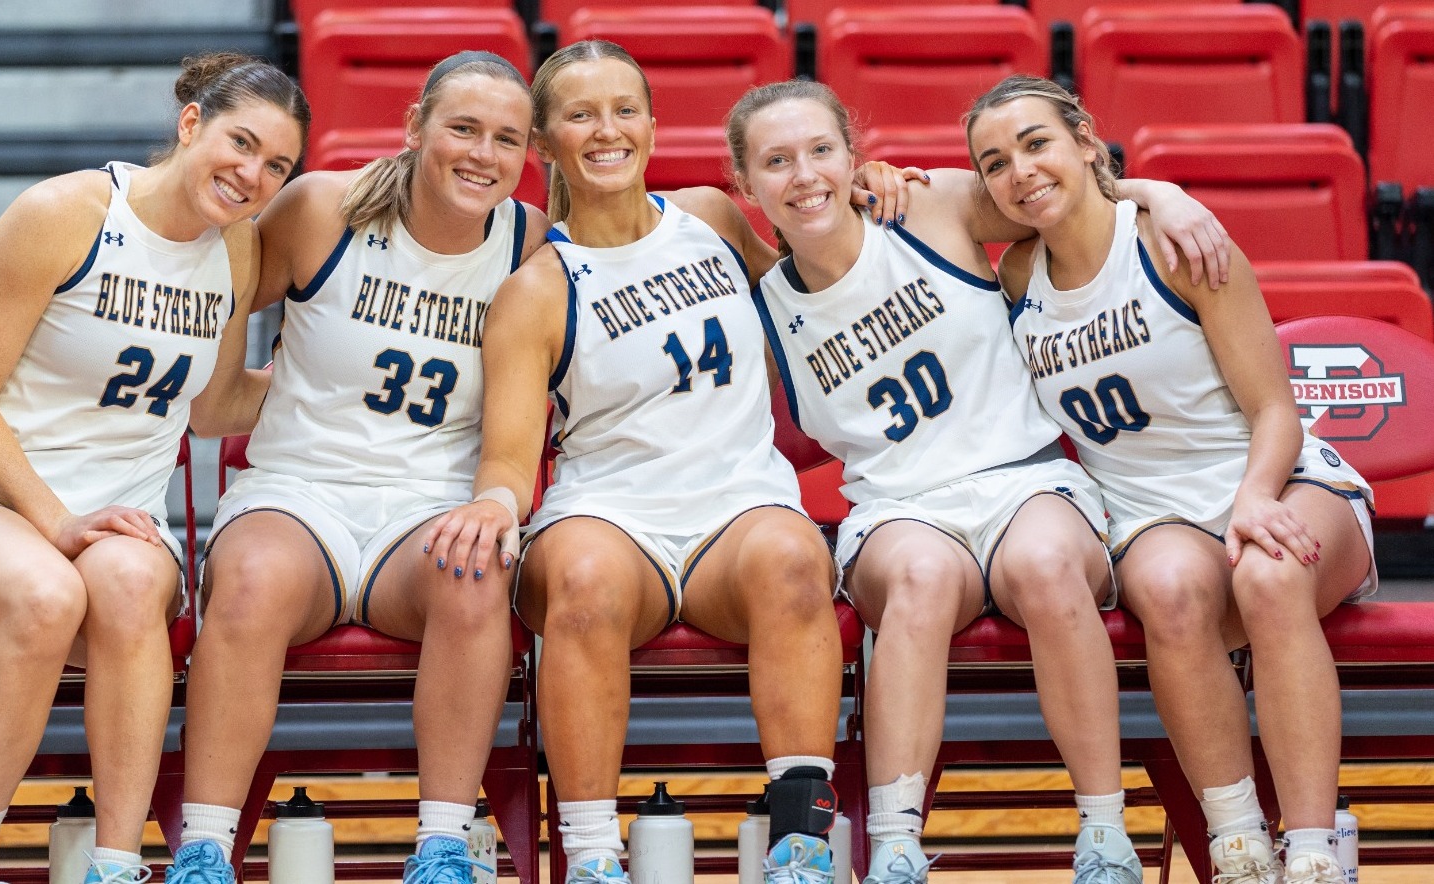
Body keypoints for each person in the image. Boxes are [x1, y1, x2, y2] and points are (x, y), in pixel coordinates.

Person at [424, 40, 924, 884]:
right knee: (580, 577)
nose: (606, 131)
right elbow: (511, 454)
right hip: (611, 516)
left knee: (796, 558)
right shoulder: (537, 287)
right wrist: (495, 504)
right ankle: (591, 855)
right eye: (580, 115)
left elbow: (818, 290)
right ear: (546, 143)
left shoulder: (712, 217)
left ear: (653, 126)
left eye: (624, 110)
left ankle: (799, 846)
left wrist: (875, 196)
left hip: (737, 506)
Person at [727, 79, 1231, 884]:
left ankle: (1104, 836)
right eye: (776, 161)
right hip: (899, 510)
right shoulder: (761, 308)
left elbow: (1061, 199)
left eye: (821, 150)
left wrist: (1157, 194)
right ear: (746, 187)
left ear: (855, 159)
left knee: (1046, 564)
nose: (804, 175)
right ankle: (894, 845)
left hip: (1023, 479)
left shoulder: (932, 209)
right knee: (920, 580)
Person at [0, 53, 308, 884]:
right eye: (240, 142)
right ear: (191, 124)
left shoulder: (235, 250)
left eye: (278, 165)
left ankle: (118, 863)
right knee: (47, 593)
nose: (252, 174)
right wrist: (54, 522)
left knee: (127, 585)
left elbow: (215, 405)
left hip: (113, 522)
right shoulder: (66, 211)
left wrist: (337, 380)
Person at [965, 74, 1376, 884]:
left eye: (1036, 142)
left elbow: (1274, 411)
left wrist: (1253, 498)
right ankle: (1236, 844)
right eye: (994, 161)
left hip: (1280, 478)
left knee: (1267, 573)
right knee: (1169, 591)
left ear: (1084, 139)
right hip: (1152, 513)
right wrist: (1157, 185)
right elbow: (938, 207)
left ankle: (1315, 849)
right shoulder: (1016, 275)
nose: (1018, 170)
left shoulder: (1172, 244)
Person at [164, 51, 549, 884]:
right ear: (415, 128)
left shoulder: (529, 242)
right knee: (254, 578)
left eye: (506, 139)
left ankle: (444, 846)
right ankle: (203, 848)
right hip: (297, 493)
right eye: (463, 128)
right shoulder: (319, 209)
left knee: (475, 574)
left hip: (430, 507)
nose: (483, 153)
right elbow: (207, 285)